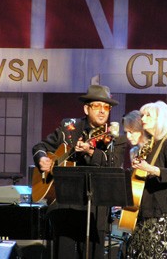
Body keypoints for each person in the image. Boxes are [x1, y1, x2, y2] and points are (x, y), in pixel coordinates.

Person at [32, 84, 127, 259]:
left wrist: (90, 152)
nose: (102, 111)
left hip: (96, 209)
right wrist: (42, 159)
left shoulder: (115, 138)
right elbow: (40, 146)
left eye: (106, 107)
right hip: (64, 206)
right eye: (97, 106)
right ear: (86, 108)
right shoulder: (70, 128)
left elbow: (114, 164)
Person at [126, 101, 167, 259]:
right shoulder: (150, 145)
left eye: (148, 116)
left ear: (161, 120)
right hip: (144, 210)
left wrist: (150, 168)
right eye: (142, 115)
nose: (143, 119)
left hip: (161, 212)